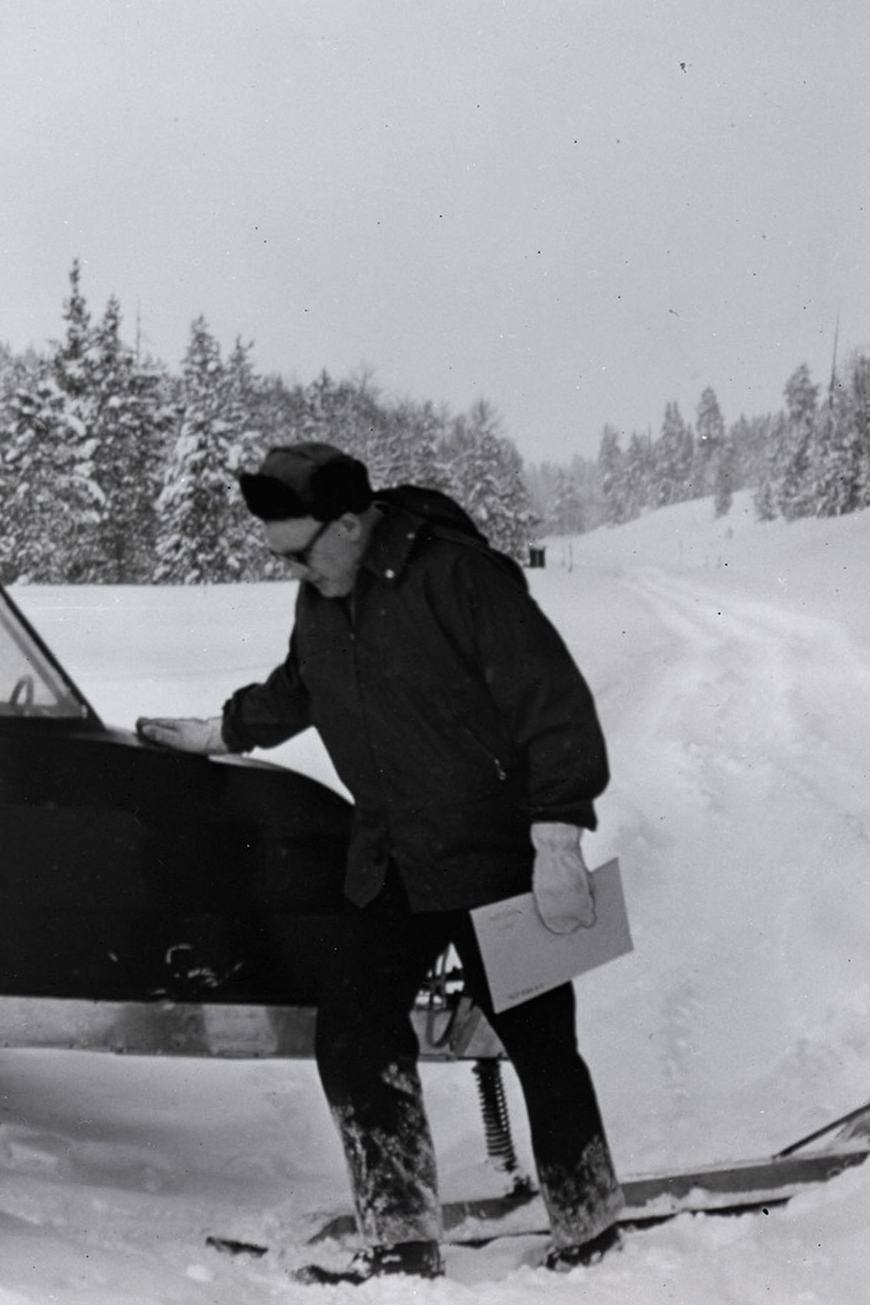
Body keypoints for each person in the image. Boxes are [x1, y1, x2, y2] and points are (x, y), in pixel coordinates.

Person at [138, 443, 623, 1282]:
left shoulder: (462, 580)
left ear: (355, 523)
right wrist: (224, 731)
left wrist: (557, 835)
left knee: (541, 1042)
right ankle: (400, 1243)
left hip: (500, 856)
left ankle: (588, 1227)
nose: (290, 569)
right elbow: (301, 687)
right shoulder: (323, 595)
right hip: (390, 860)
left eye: (299, 551)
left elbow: (555, 703)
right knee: (356, 1038)